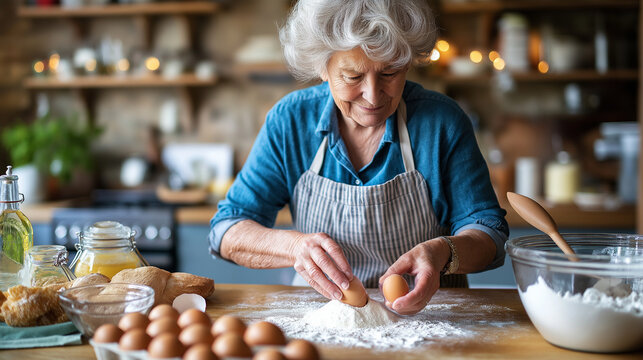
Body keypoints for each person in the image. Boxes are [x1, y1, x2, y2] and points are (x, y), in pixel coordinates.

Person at [209, 0, 508, 315]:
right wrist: (295, 247)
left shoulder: (441, 123)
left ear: (407, 63)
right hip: (322, 317)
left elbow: (489, 232)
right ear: (322, 68)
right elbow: (226, 230)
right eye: (352, 77)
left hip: (430, 318)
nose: (373, 95)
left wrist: (443, 252)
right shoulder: (291, 121)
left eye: (389, 72)